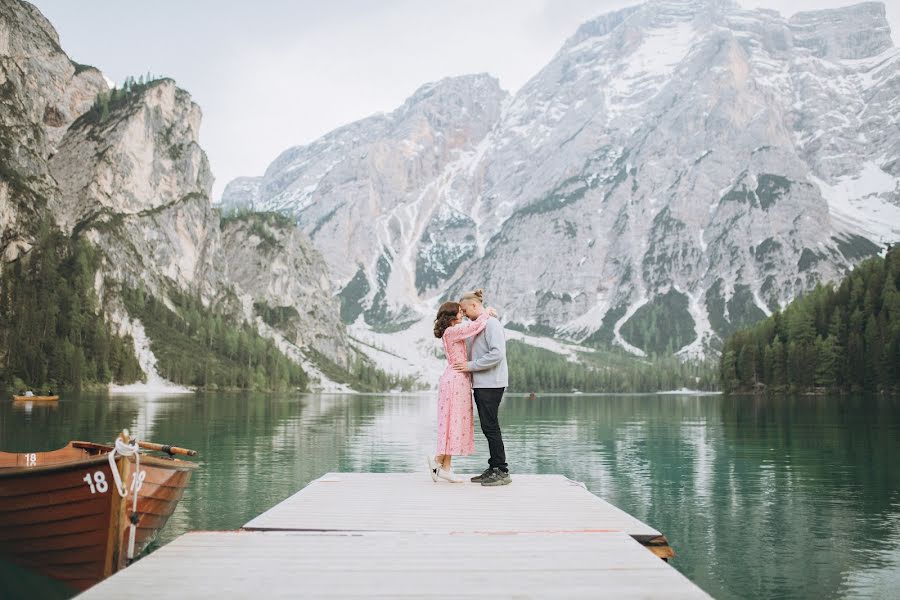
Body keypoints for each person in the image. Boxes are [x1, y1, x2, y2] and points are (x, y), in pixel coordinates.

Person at [427, 300, 497, 483]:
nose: (462, 314)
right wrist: (486, 312)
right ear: (451, 317)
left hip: (456, 380)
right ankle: (439, 462)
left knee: (452, 422)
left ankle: (444, 467)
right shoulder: (452, 331)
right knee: (453, 422)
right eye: (459, 312)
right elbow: (474, 327)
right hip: (455, 381)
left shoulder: (449, 332)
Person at [454, 289, 511, 487]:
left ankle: (501, 470)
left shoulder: (492, 324)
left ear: (474, 305)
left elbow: (497, 354)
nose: (463, 314)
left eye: (464, 309)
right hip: (482, 383)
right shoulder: (478, 324)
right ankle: (494, 466)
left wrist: (471, 366)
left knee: (491, 426)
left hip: (492, 383)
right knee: (487, 426)